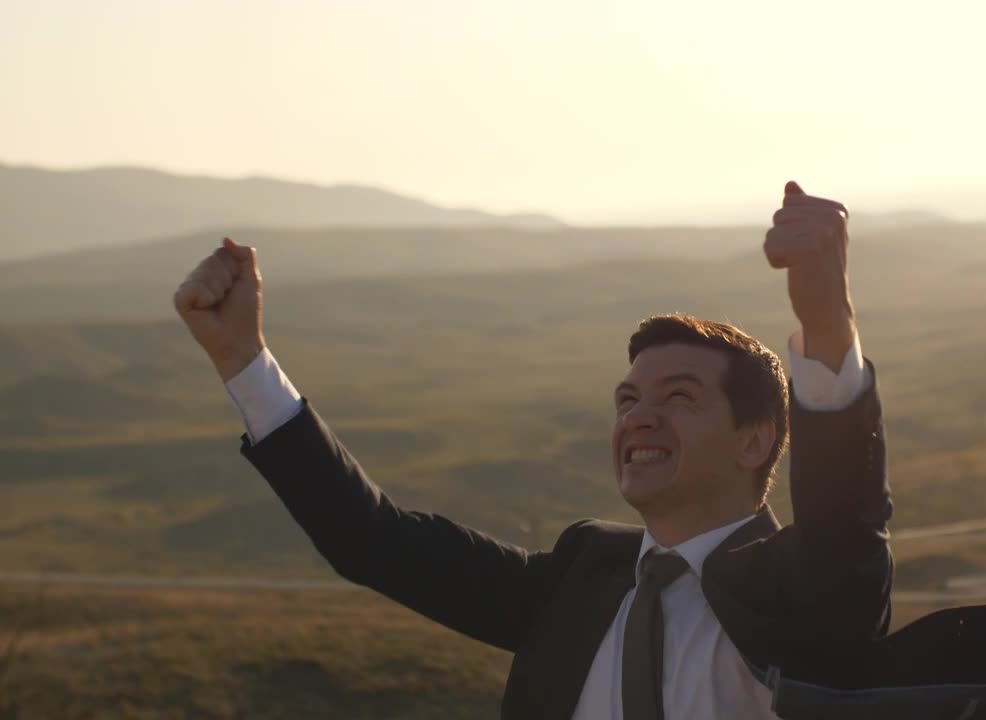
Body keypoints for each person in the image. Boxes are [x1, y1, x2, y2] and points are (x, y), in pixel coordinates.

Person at [174, 181, 894, 719]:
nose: (639, 419)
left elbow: (847, 519)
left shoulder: (811, 591)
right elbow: (371, 540)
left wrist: (826, 320)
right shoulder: (580, 576)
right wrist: (243, 360)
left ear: (755, 439)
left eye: (678, 398)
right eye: (627, 400)